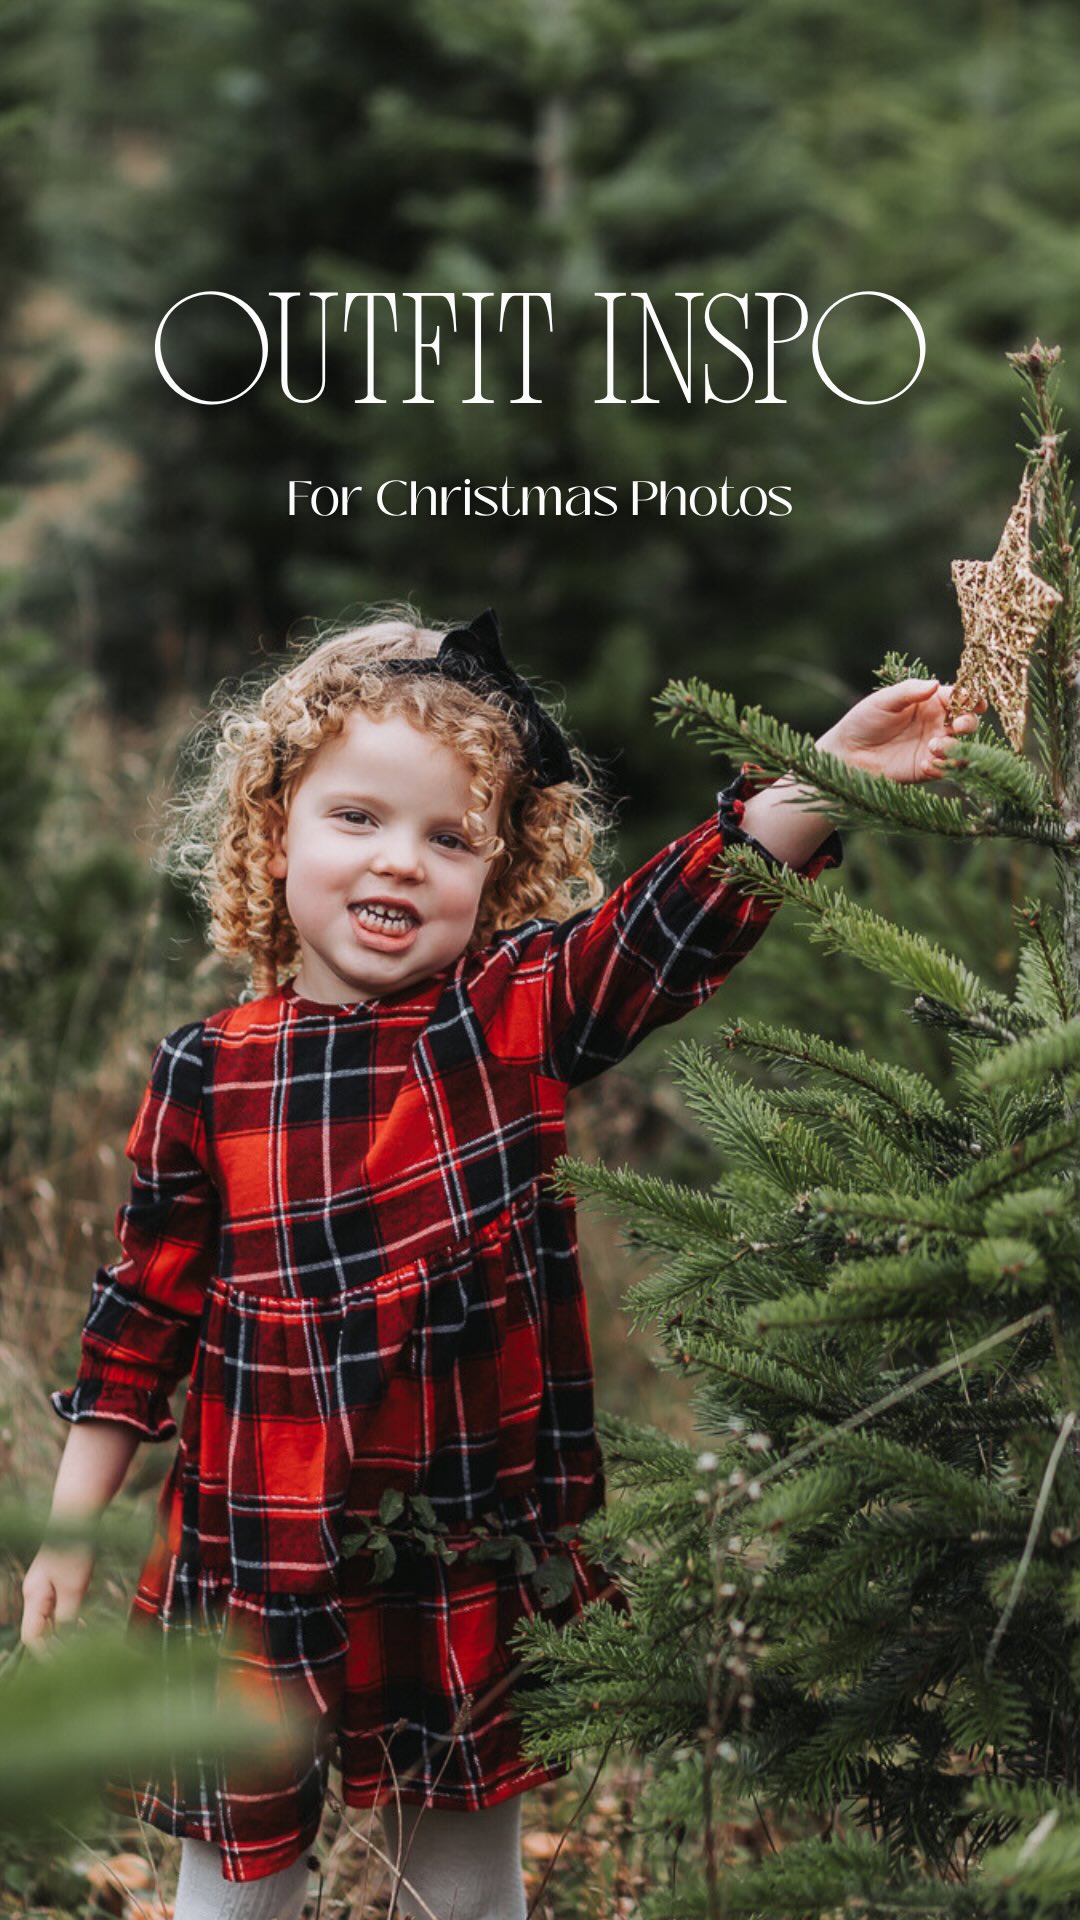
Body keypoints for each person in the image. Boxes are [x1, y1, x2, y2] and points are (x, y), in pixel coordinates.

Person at [21, 607, 982, 1920]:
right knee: (234, 1887)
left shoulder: (506, 1017)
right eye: (357, 818)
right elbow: (143, 1313)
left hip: (458, 1545)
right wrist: (71, 1526)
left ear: (501, 871)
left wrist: (827, 774)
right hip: (262, 1550)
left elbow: (666, 925)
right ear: (273, 832)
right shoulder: (209, 1070)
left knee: (462, 1890)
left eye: (450, 837)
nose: (401, 863)